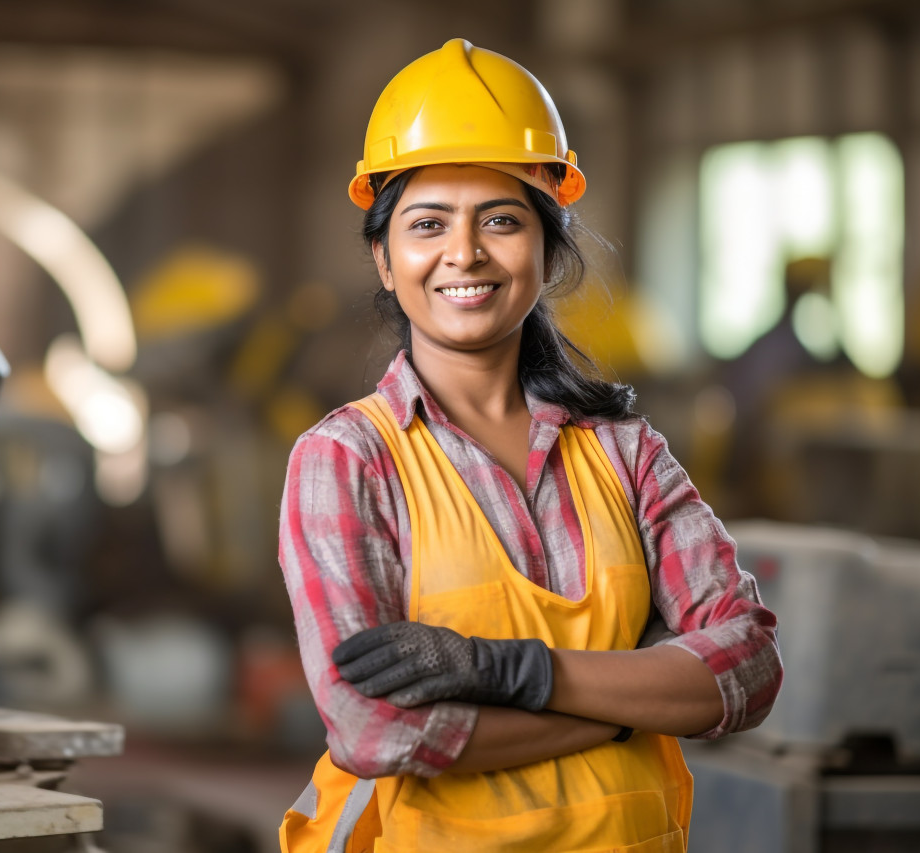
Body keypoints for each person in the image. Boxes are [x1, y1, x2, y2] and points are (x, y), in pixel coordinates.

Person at [278, 39, 782, 852]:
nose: (465, 253)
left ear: (548, 251)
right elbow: (373, 731)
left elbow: (749, 664)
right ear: (383, 256)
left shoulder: (626, 453)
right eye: (427, 224)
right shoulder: (347, 460)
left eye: (501, 220)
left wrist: (522, 672)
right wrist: (625, 712)